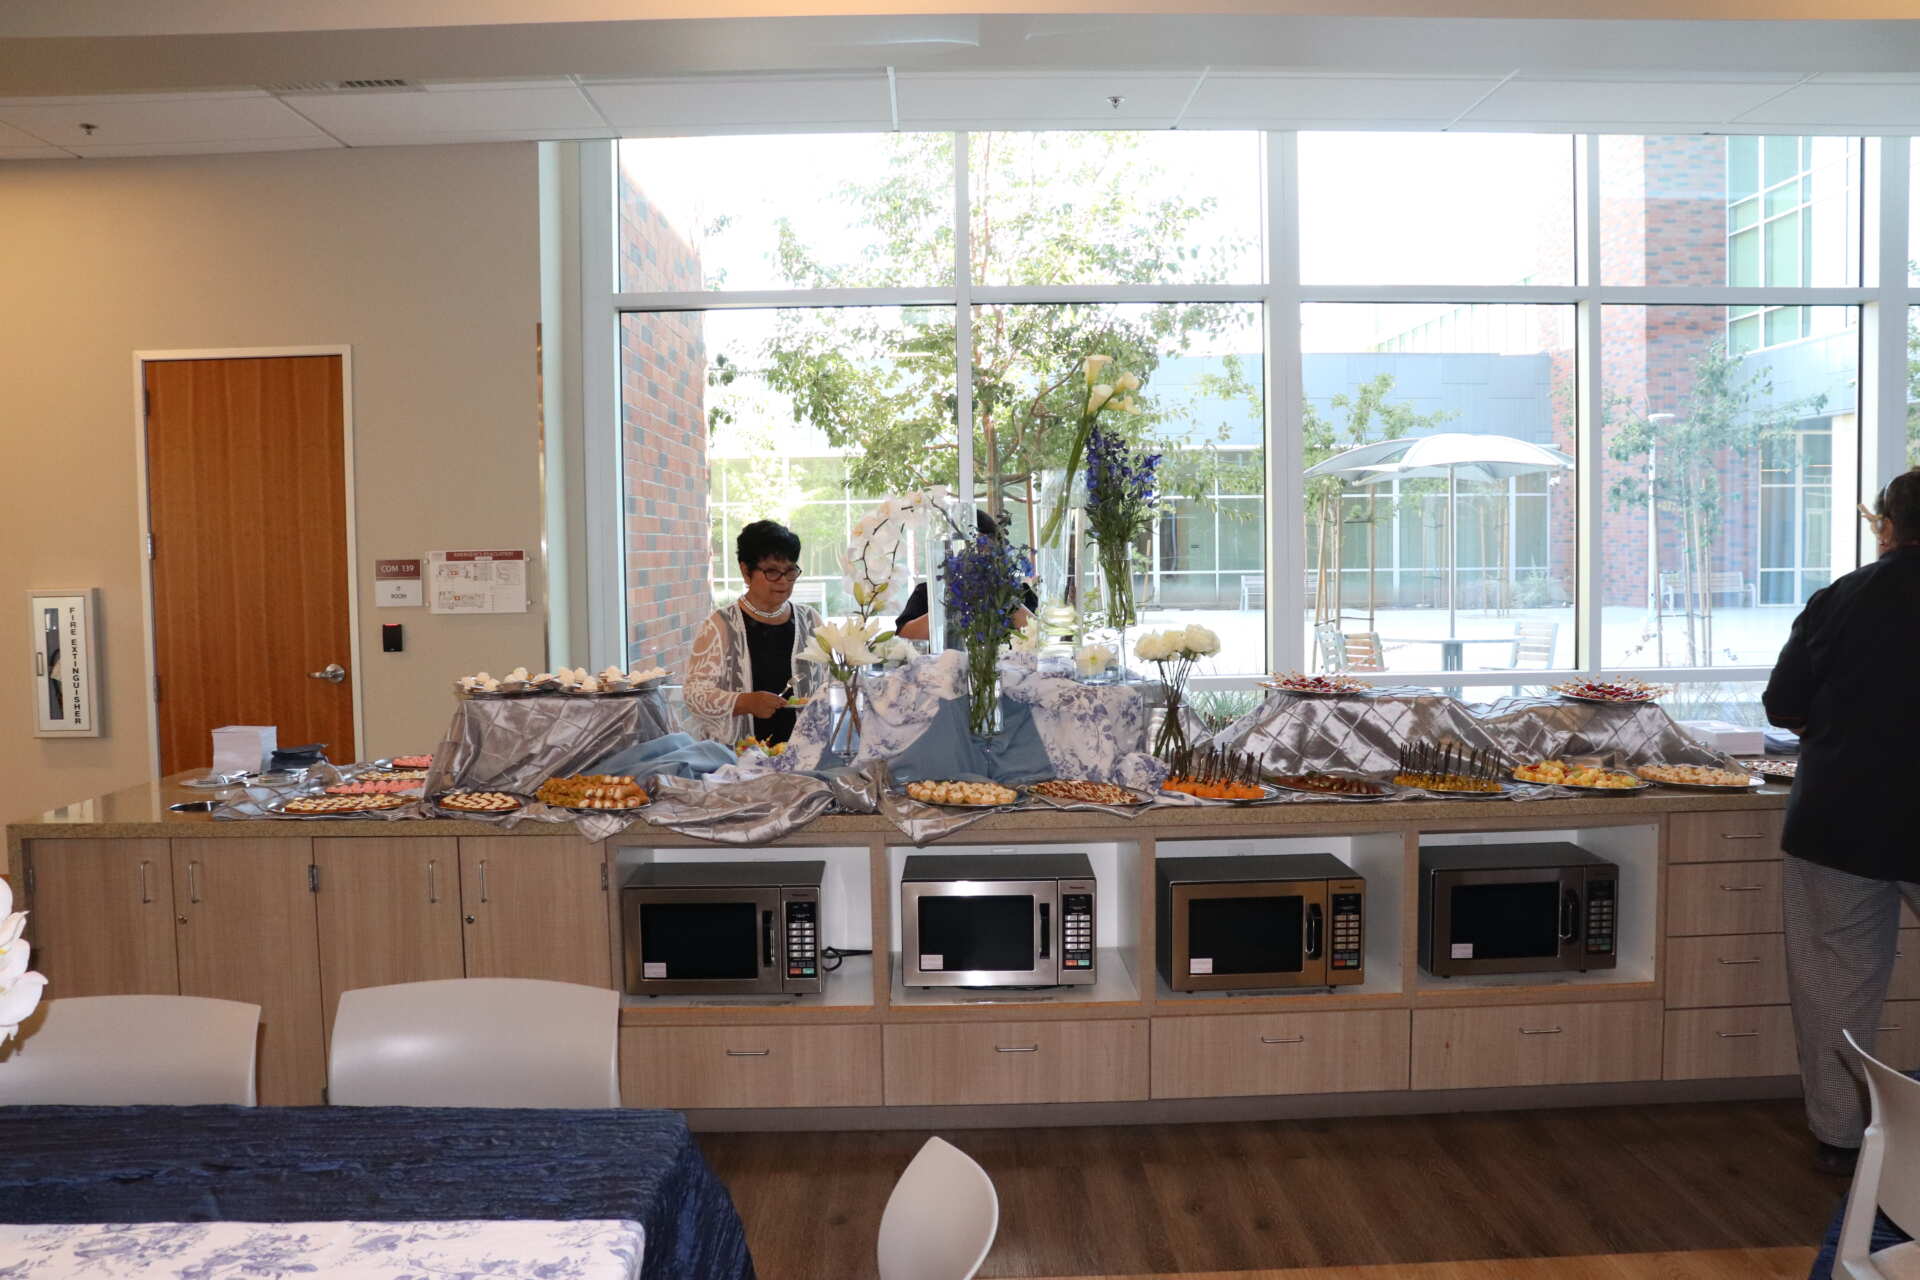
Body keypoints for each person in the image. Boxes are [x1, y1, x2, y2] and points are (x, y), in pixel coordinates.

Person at [1764, 467, 1920, 1176]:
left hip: (1839, 820)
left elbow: (1783, 705)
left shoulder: (1841, 598)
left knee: (1837, 982)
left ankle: (1840, 1139)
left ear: (1888, 527)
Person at [683, 520, 823, 746]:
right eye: (772, 572)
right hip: (740, 755)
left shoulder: (810, 620)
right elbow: (695, 694)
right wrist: (746, 702)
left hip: (804, 752)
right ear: (746, 571)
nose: (783, 581)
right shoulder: (721, 625)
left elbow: (831, 682)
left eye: (790, 571)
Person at [894, 508, 1038, 642]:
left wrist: (1005, 598)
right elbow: (904, 637)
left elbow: (1038, 637)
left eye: (983, 546)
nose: (976, 554)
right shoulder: (928, 592)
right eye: (968, 547)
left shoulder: (1020, 592)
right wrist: (951, 603)